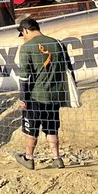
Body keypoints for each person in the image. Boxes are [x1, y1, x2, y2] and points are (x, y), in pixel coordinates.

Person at [14, 17, 70, 170]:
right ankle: (57, 158)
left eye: (22, 34)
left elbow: (24, 76)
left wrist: (23, 98)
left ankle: (29, 158)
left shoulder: (26, 47)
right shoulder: (58, 43)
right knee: (52, 127)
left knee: (31, 128)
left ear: (26, 30)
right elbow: (67, 67)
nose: (23, 37)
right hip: (54, 94)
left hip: (35, 95)